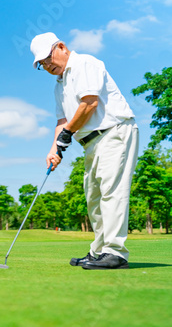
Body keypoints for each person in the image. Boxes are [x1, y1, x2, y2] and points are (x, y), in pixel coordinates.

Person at [30, 32, 139, 270]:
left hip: (114, 131)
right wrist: (54, 149)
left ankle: (115, 252)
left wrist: (67, 134)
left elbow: (89, 103)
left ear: (61, 46)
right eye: (42, 65)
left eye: (48, 59)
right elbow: (62, 122)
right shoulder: (59, 85)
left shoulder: (85, 63)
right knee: (94, 197)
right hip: (90, 142)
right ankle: (100, 252)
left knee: (112, 192)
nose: (48, 66)